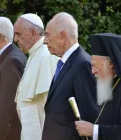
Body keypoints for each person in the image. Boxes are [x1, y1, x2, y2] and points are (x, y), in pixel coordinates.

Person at [42, 12, 99, 140]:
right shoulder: (64, 63)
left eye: (47, 35)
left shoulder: (82, 65)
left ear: (62, 36)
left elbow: (90, 116)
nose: (45, 41)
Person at [13, 13, 59, 140]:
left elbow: (51, 107)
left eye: (19, 34)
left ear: (33, 32)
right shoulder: (34, 55)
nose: (15, 39)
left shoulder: (46, 57)